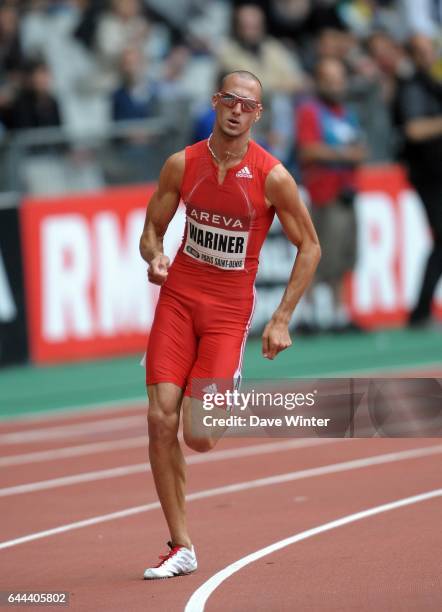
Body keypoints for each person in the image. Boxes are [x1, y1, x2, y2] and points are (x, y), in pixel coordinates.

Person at [139, 69, 320, 578]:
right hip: (177, 300)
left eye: (248, 104)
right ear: (216, 102)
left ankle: (230, 382)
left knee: (199, 435)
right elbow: (152, 231)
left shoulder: (272, 177)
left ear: (258, 114)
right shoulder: (182, 164)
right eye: (230, 100)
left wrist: (282, 317)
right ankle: (182, 546)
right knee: (159, 420)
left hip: (227, 312)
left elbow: (310, 244)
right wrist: (154, 257)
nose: (237, 109)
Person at [296, 57, 367, 332]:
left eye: (339, 79)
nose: (336, 86)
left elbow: (361, 149)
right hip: (323, 192)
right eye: (330, 80)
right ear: (319, 82)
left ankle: (339, 313)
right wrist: (345, 154)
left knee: (344, 256)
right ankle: (312, 313)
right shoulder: (310, 111)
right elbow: (308, 149)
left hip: (347, 191)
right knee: (319, 255)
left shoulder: (346, 112)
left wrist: (348, 155)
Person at [395, 34, 442, 326]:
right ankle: (420, 310)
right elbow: (413, 129)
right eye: (421, 51)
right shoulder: (412, 87)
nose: (428, 55)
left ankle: (421, 309)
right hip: (429, 176)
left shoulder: (431, 84)